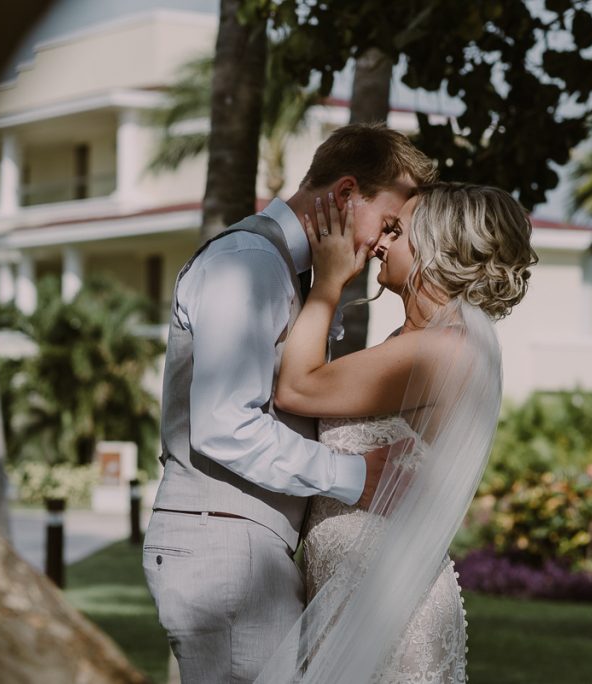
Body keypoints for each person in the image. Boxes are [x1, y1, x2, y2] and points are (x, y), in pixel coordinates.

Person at [142, 124, 435, 683]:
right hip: (222, 547)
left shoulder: (293, 273)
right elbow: (223, 424)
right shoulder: (248, 262)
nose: (384, 244)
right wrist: (356, 476)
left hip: (243, 548)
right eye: (389, 223)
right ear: (347, 195)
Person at [256, 181, 538, 683]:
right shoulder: (415, 340)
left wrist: (327, 284)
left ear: (436, 247)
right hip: (351, 594)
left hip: (387, 607)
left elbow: (297, 389)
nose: (380, 243)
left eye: (396, 232)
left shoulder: (441, 351)